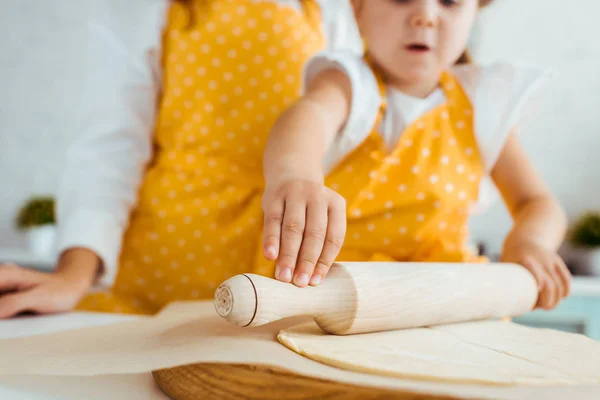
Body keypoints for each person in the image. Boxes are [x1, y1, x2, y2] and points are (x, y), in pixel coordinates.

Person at [0, 0, 361, 317]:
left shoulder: (332, 11)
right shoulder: (142, 8)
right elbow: (111, 149)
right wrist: (72, 276)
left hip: (273, 274)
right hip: (157, 275)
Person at [260, 0, 572, 310]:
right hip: (335, 292)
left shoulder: (481, 104)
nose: (425, 16)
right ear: (358, 8)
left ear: (474, 13)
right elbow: (309, 117)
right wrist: (294, 174)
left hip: (442, 296)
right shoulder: (350, 83)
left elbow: (538, 203)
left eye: (449, 2)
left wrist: (529, 242)